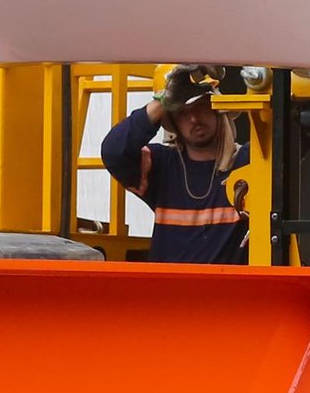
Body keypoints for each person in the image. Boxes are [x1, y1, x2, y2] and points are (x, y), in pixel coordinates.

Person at [98, 66, 253, 264]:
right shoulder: (161, 166)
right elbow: (114, 151)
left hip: (232, 293)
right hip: (168, 293)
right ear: (171, 121)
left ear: (217, 107)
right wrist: (165, 100)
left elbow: (294, 135)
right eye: (182, 112)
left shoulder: (248, 162)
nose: (194, 119)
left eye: (201, 106)